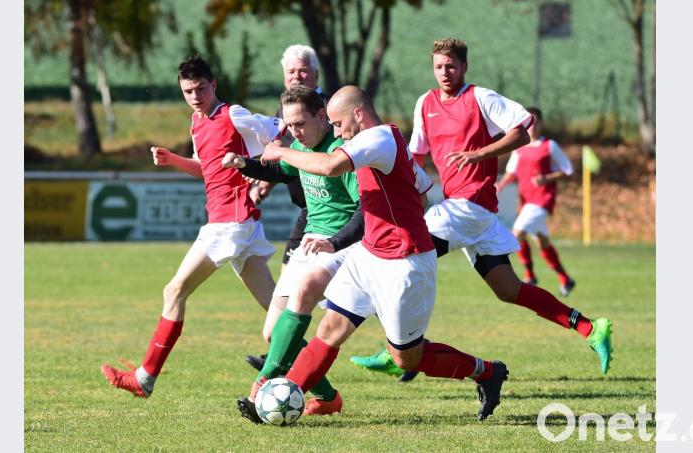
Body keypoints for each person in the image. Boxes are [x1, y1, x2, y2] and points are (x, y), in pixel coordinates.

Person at [242, 85, 510, 422]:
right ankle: (280, 398)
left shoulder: (378, 139)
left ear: (358, 114)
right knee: (330, 329)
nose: (336, 132)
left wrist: (280, 152)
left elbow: (329, 166)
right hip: (369, 255)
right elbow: (423, 191)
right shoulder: (385, 143)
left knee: (406, 358)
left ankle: (486, 372)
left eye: (338, 124)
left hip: (404, 264)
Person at [351, 38, 612, 377]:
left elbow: (523, 132)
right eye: (438, 67)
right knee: (508, 289)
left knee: (401, 261)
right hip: (466, 211)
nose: (445, 72)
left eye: (451, 66)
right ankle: (591, 327)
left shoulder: (481, 98)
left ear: (464, 67)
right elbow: (414, 155)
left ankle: (396, 350)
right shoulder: (425, 103)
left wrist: (479, 154)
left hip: (470, 205)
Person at [100, 56, 285, 397]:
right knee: (278, 314)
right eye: (188, 90)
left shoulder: (233, 114)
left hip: (230, 222)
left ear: (214, 85)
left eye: (201, 88)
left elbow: (282, 130)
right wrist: (172, 160)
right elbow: (206, 167)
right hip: (236, 223)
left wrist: (258, 166)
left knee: (174, 291)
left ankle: (144, 378)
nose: (196, 96)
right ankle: (325, 392)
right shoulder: (196, 123)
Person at [225, 85, 365, 420]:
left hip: (340, 247)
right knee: (274, 333)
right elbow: (278, 170)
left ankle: (264, 384)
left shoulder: (341, 152)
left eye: (299, 123)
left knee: (297, 309)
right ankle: (328, 398)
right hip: (309, 243)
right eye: (288, 126)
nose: (292, 132)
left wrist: (336, 241)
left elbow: (365, 211)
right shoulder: (302, 147)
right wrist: (245, 163)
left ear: (321, 116)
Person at [244, 44, 332, 372]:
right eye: (291, 72)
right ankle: (282, 352)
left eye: (303, 71)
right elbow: (285, 157)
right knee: (290, 280)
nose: (297, 76)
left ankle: (407, 344)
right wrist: (262, 177)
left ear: (315, 75)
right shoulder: (288, 112)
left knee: (357, 298)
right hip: (309, 213)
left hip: (335, 211)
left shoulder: (329, 110)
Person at [495, 107, 576, 295]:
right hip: (526, 201)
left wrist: (546, 179)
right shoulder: (519, 147)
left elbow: (567, 169)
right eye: (529, 122)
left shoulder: (549, 146)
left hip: (542, 200)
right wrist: (500, 186)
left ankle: (529, 276)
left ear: (541, 124)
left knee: (517, 234)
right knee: (542, 241)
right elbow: (511, 172)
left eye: (536, 122)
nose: (532, 126)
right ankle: (565, 279)